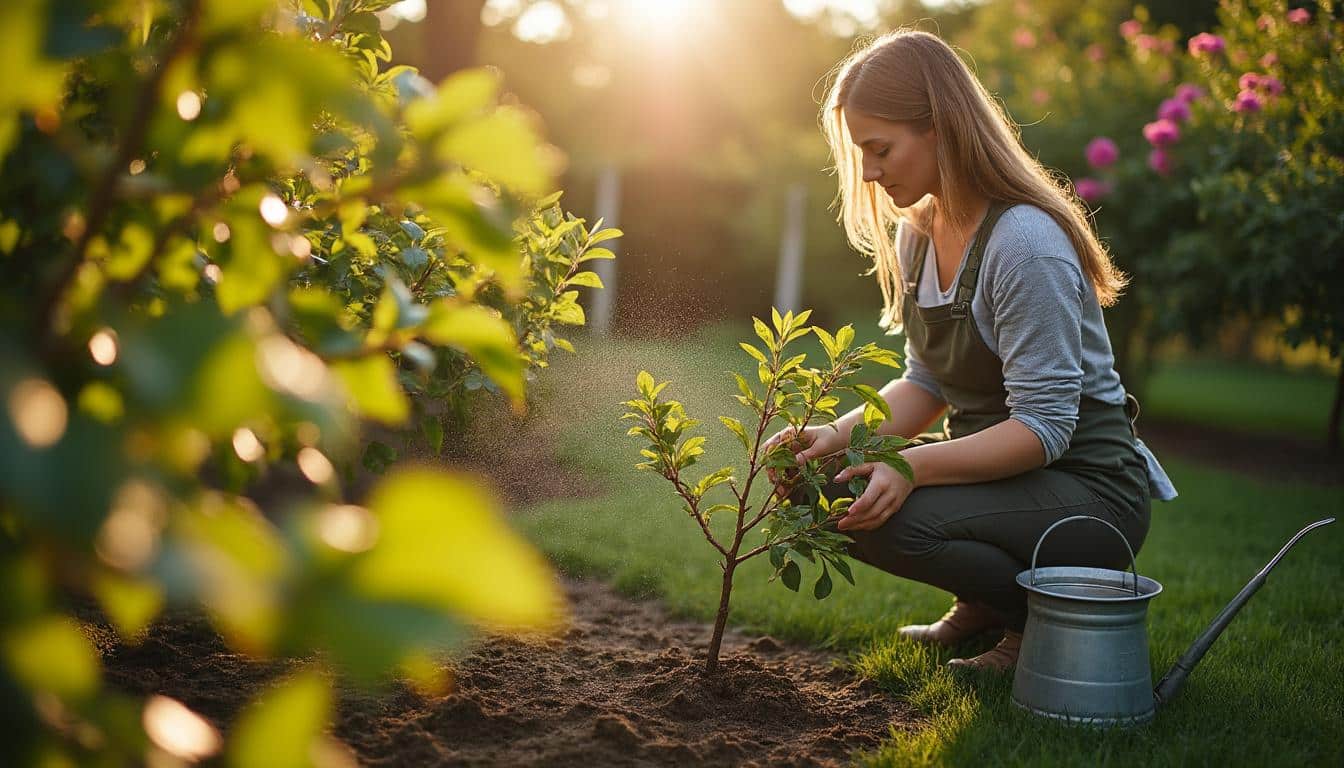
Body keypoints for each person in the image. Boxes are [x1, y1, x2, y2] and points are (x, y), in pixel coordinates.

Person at [764, 29, 1178, 671]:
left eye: (880, 149)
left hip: (1086, 496)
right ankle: (986, 605)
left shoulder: (1024, 246)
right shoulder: (919, 236)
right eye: (862, 153)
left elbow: (1044, 430)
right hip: (1002, 482)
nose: (869, 172)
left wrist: (909, 468)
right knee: (822, 484)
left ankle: (1031, 622)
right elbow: (925, 383)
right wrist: (835, 437)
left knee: (893, 514)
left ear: (940, 129)